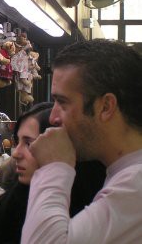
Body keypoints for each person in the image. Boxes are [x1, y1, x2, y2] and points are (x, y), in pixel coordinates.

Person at [22, 39, 142, 244]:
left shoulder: (136, 183)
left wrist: (54, 166)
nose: (53, 118)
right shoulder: (125, 174)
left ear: (106, 107)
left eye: (63, 102)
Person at [0, 102, 105, 244]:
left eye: (28, 143)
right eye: (17, 141)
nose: (16, 154)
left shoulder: (89, 214)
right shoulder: (14, 202)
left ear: (61, 147)